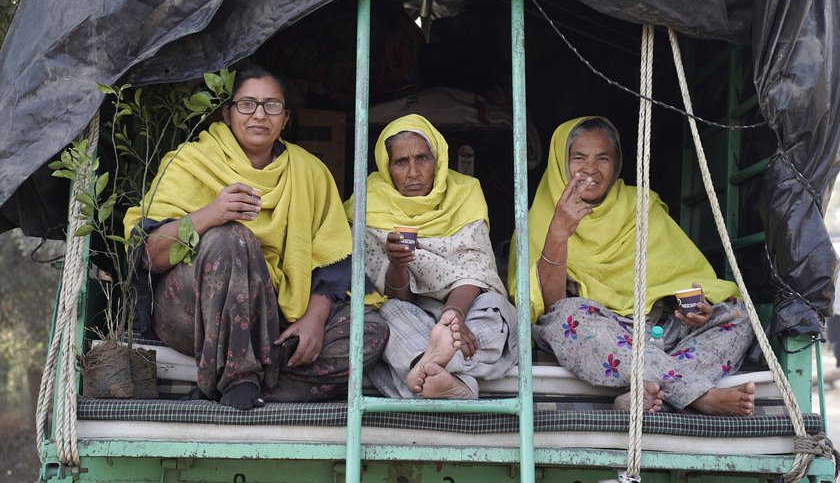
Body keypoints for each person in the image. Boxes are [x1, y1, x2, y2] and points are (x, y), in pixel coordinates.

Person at [123, 65, 388, 410]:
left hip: (273, 321)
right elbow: (150, 255)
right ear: (227, 112)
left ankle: (240, 388)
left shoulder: (310, 172)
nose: (259, 115)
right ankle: (238, 377)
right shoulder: (191, 161)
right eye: (247, 104)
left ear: (286, 117)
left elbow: (334, 262)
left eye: (272, 105)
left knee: (370, 331)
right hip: (195, 316)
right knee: (232, 239)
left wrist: (315, 319)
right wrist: (210, 214)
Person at [508, 116, 756, 415]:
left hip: (658, 327)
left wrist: (696, 308)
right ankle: (698, 395)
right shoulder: (538, 217)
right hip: (601, 336)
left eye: (603, 158)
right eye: (578, 158)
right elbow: (550, 305)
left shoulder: (640, 204)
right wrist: (559, 231)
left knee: (738, 314)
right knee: (566, 319)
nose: (590, 169)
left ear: (616, 165)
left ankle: (638, 393)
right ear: (561, 163)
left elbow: (679, 274)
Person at [346, 114, 517, 399]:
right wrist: (397, 265)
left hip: (464, 308)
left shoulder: (465, 193)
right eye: (401, 162)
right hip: (410, 312)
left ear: (437, 160)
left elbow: (477, 271)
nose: (413, 172)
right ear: (386, 167)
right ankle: (455, 381)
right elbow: (391, 297)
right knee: (382, 316)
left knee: (496, 310)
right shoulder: (367, 202)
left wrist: (453, 316)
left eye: (422, 158)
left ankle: (424, 366)